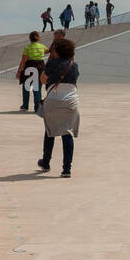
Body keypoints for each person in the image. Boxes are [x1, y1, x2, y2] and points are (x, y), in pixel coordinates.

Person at [37, 37, 80, 178]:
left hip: (53, 100)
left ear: (57, 50)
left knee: (50, 131)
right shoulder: (74, 65)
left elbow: (42, 79)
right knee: (67, 133)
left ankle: (46, 163)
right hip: (71, 101)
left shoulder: (51, 63)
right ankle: (66, 169)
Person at [17, 31, 47, 111]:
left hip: (29, 67)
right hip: (40, 67)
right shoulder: (42, 46)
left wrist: (19, 71)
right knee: (37, 88)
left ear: (30, 38)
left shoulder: (27, 47)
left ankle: (25, 105)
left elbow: (23, 61)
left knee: (26, 87)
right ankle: (37, 107)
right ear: (38, 38)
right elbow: (48, 51)